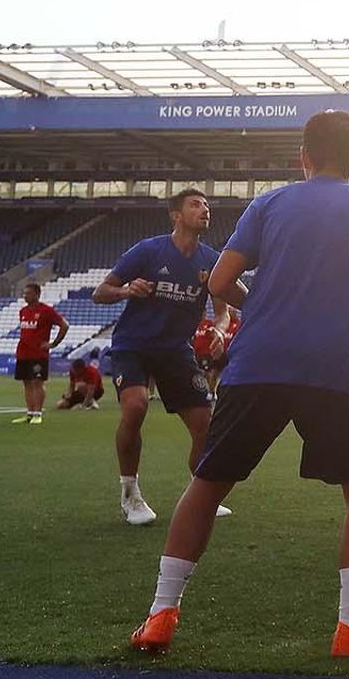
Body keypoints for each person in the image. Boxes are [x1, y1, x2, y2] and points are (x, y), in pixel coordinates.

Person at [129, 110, 349, 657]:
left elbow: (219, 281)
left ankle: (160, 617)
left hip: (257, 364)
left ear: (303, 158)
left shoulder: (269, 203)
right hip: (336, 370)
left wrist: (261, 306)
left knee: (208, 483)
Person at [93, 189, 239, 527]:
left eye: (207, 205)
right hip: (133, 345)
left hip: (176, 350)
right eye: (195, 204)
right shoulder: (147, 250)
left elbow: (223, 312)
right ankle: (130, 494)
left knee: (205, 423)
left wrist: (218, 329)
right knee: (135, 406)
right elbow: (101, 292)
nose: (205, 209)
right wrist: (126, 290)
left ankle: (201, 494)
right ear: (176, 215)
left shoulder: (211, 261)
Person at [12, 282, 68, 425]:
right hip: (23, 352)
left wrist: (53, 344)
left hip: (38, 354)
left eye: (28, 293)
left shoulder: (46, 310)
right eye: (24, 293)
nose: (25, 296)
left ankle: (38, 413)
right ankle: (30, 413)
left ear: (37, 294)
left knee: (37, 382)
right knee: (27, 383)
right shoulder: (23, 311)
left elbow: (64, 325)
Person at [192, 305, 241, 399]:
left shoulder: (238, 325)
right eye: (230, 310)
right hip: (211, 353)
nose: (232, 312)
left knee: (215, 373)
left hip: (228, 353)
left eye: (233, 310)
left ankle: (214, 392)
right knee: (209, 373)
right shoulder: (201, 324)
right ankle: (210, 391)